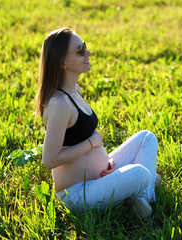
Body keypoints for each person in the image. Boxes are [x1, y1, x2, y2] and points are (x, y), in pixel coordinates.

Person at [36, 27, 160, 219]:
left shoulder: (74, 89)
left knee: (146, 138)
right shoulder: (60, 103)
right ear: (63, 62)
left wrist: (105, 160)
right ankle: (144, 191)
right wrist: (91, 144)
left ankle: (140, 195)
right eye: (80, 50)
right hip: (77, 193)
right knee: (141, 174)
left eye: (85, 47)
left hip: (100, 175)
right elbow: (49, 160)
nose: (88, 53)